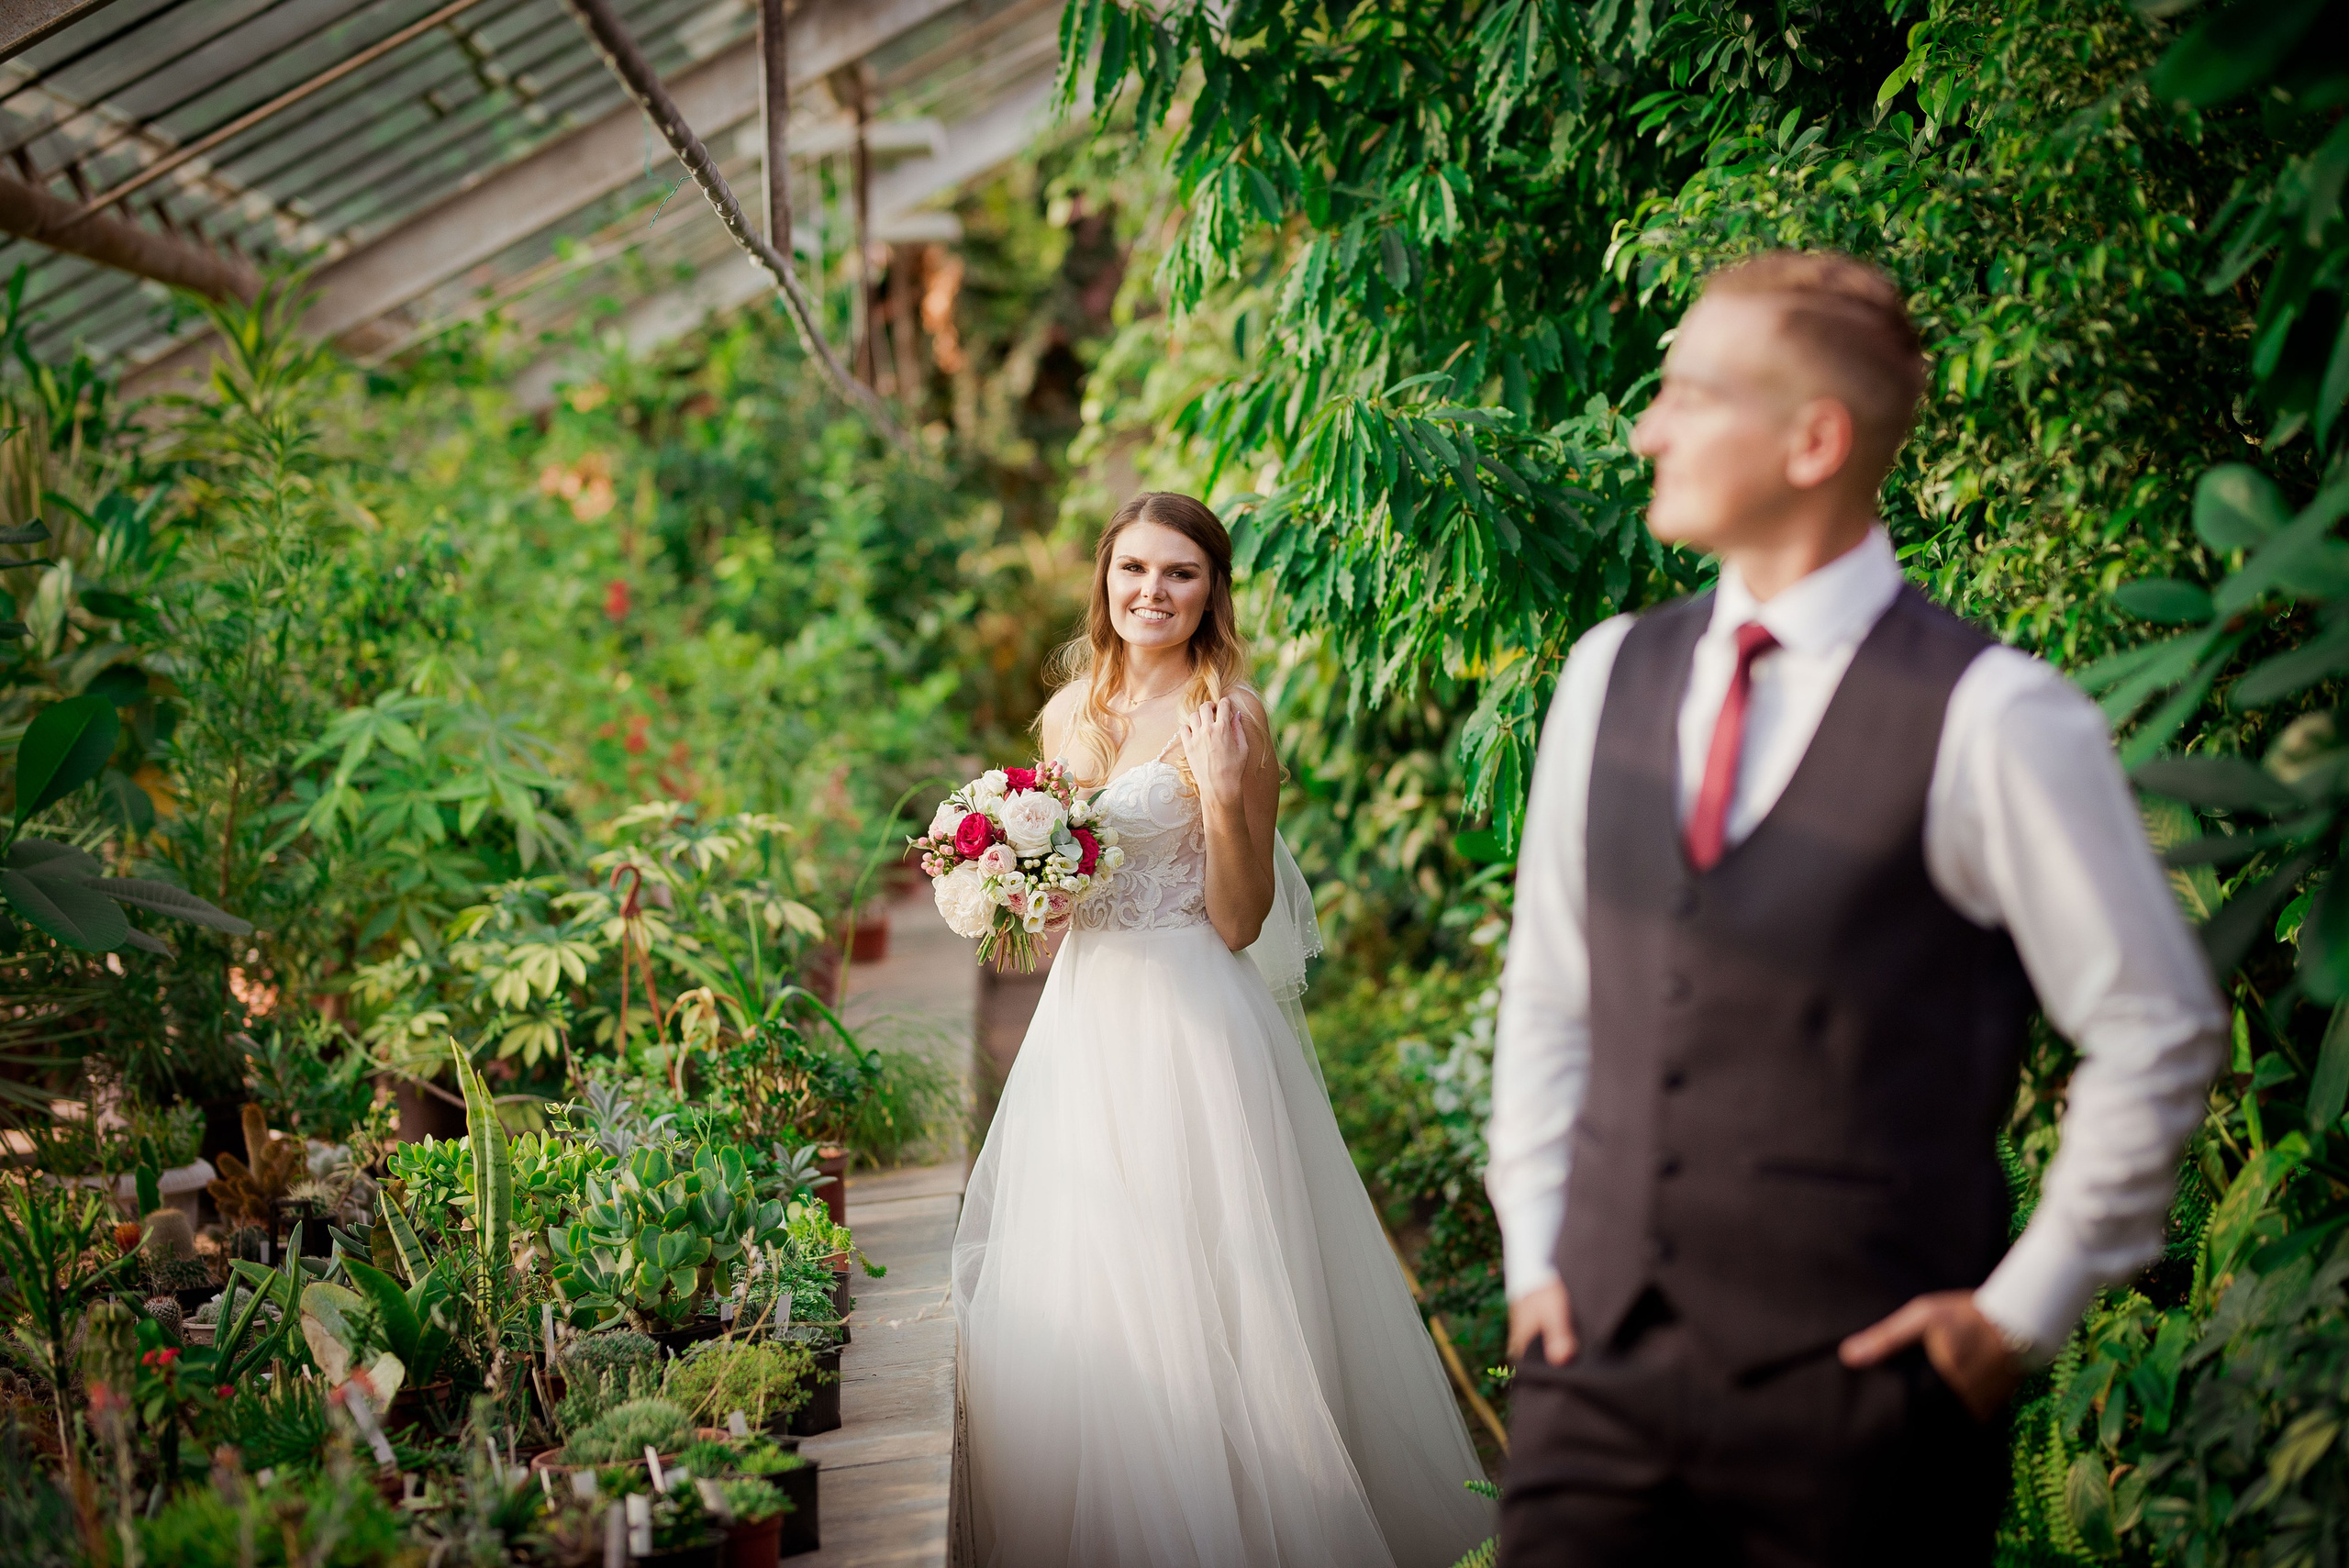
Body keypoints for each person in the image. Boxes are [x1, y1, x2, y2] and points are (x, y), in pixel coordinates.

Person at [1485, 250, 2226, 1566]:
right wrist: (1540, 1249)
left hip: (1860, 1418)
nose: (1648, 427)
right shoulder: (1610, 675)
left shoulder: (1998, 717)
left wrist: (2017, 1319)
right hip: (1589, 1377)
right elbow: (1552, 991)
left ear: (1815, 438)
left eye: (1687, 394)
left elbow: (2157, 1027)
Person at [951, 492, 1495, 1568]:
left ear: (1211, 593)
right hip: (1088, 1026)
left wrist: (1231, 790)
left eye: (1180, 573)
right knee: (1103, 1263)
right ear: (1104, 579)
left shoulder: (1229, 712)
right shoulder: (1069, 713)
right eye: (1134, 569)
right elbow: (1073, 891)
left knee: (1220, 1267)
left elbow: (1241, 917)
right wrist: (1036, 898)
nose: (1152, 592)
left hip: (1197, 1017)